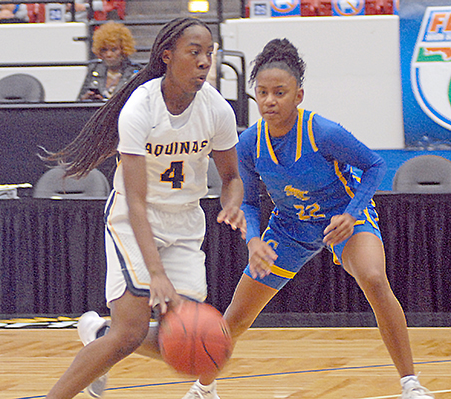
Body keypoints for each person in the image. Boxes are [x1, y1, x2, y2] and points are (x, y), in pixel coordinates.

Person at [182, 38, 434, 399]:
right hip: (289, 228)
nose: (270, 100)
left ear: (298, 95)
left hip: (343, 218)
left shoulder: (323, 132)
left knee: (375, 279)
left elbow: (375, 165)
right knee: (236, 317)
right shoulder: (249, 144)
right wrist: (253, 239)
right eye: (263, 92)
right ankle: (205, 387)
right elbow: (249, 203)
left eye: (280, 93)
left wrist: (351, 214)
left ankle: (411, 384)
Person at [43, 17, 246, 399]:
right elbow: (135, 200)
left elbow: (232, 177)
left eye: (210, 53)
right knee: (131, 331)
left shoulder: (217, 109)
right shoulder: (140, 108)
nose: (205, 61)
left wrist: (232, 204)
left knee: (186, 341)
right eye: (195, 52)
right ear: (167, 56)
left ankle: (99, 337)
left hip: (185, 221)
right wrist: (157, 273)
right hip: (134, 217)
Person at [78, 21, 143, 102]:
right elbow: (79, 101)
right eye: (104, 50)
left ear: (123, 50)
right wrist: (86, 98)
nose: (108, 54)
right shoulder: (95, 69)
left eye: (114, 49)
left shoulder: (136, 72)